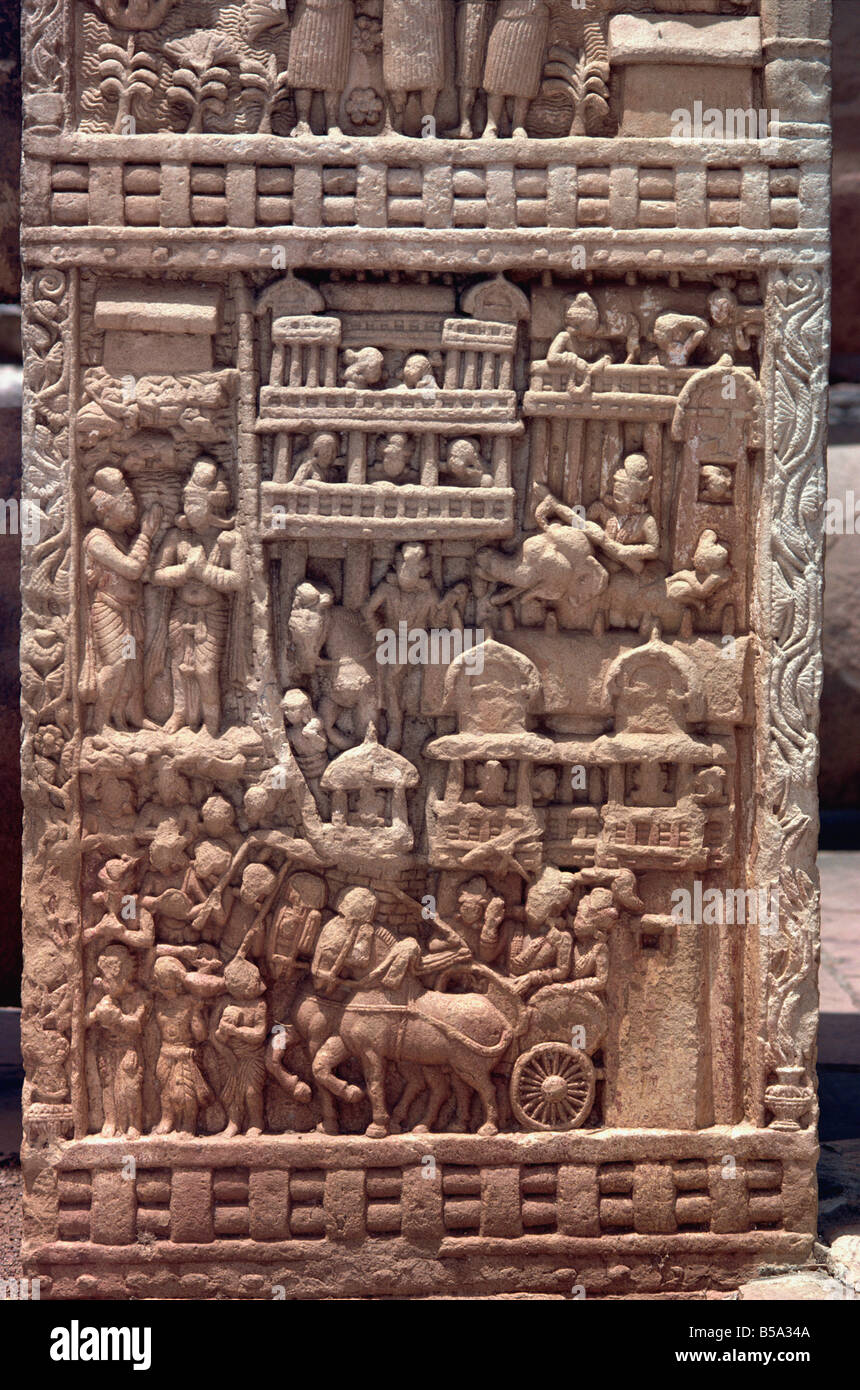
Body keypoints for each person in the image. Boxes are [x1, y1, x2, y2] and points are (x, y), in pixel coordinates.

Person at [152, 458, 247, 737]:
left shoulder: (229, 540)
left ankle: (211, 721)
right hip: (181, 611)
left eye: (196, 504)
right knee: (179, 665)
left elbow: (238, 580)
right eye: (187, 504)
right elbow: (157, 575)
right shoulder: (176, 537)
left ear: (213, 506)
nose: (189, 510)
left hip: (212, 612)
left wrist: (205, 571)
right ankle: (180, 714)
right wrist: (185, 570)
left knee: (205, 670)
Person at [81, 467, 161, 732]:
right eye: (126, 502)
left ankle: (131, 718)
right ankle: (99, 723)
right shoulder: (97, 541)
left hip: (129, 614)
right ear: (108, 509)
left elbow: (139, 573)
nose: (133, 506)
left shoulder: (123, 537)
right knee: (114, 665)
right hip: (109, 611)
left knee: (130, 665)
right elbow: (131, 569)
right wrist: (147, 535)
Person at [482, 0, 550, 140]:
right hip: (507, 15)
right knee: (497, 73)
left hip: (535, 18)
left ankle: (519, 125)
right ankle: (491, 124)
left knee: (527, 74)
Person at [287, 0, 355, 137]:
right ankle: (302, 120)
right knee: (303, 67)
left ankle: (332, 121)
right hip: (306, 11)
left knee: (334, 70)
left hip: (340, 11)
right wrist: (280, 12)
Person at [383, 0, 445, 134]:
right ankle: (397, 124)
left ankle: (429, 127)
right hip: (398, 11)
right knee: (397, 74)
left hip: (429, 14)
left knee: (431, 73)